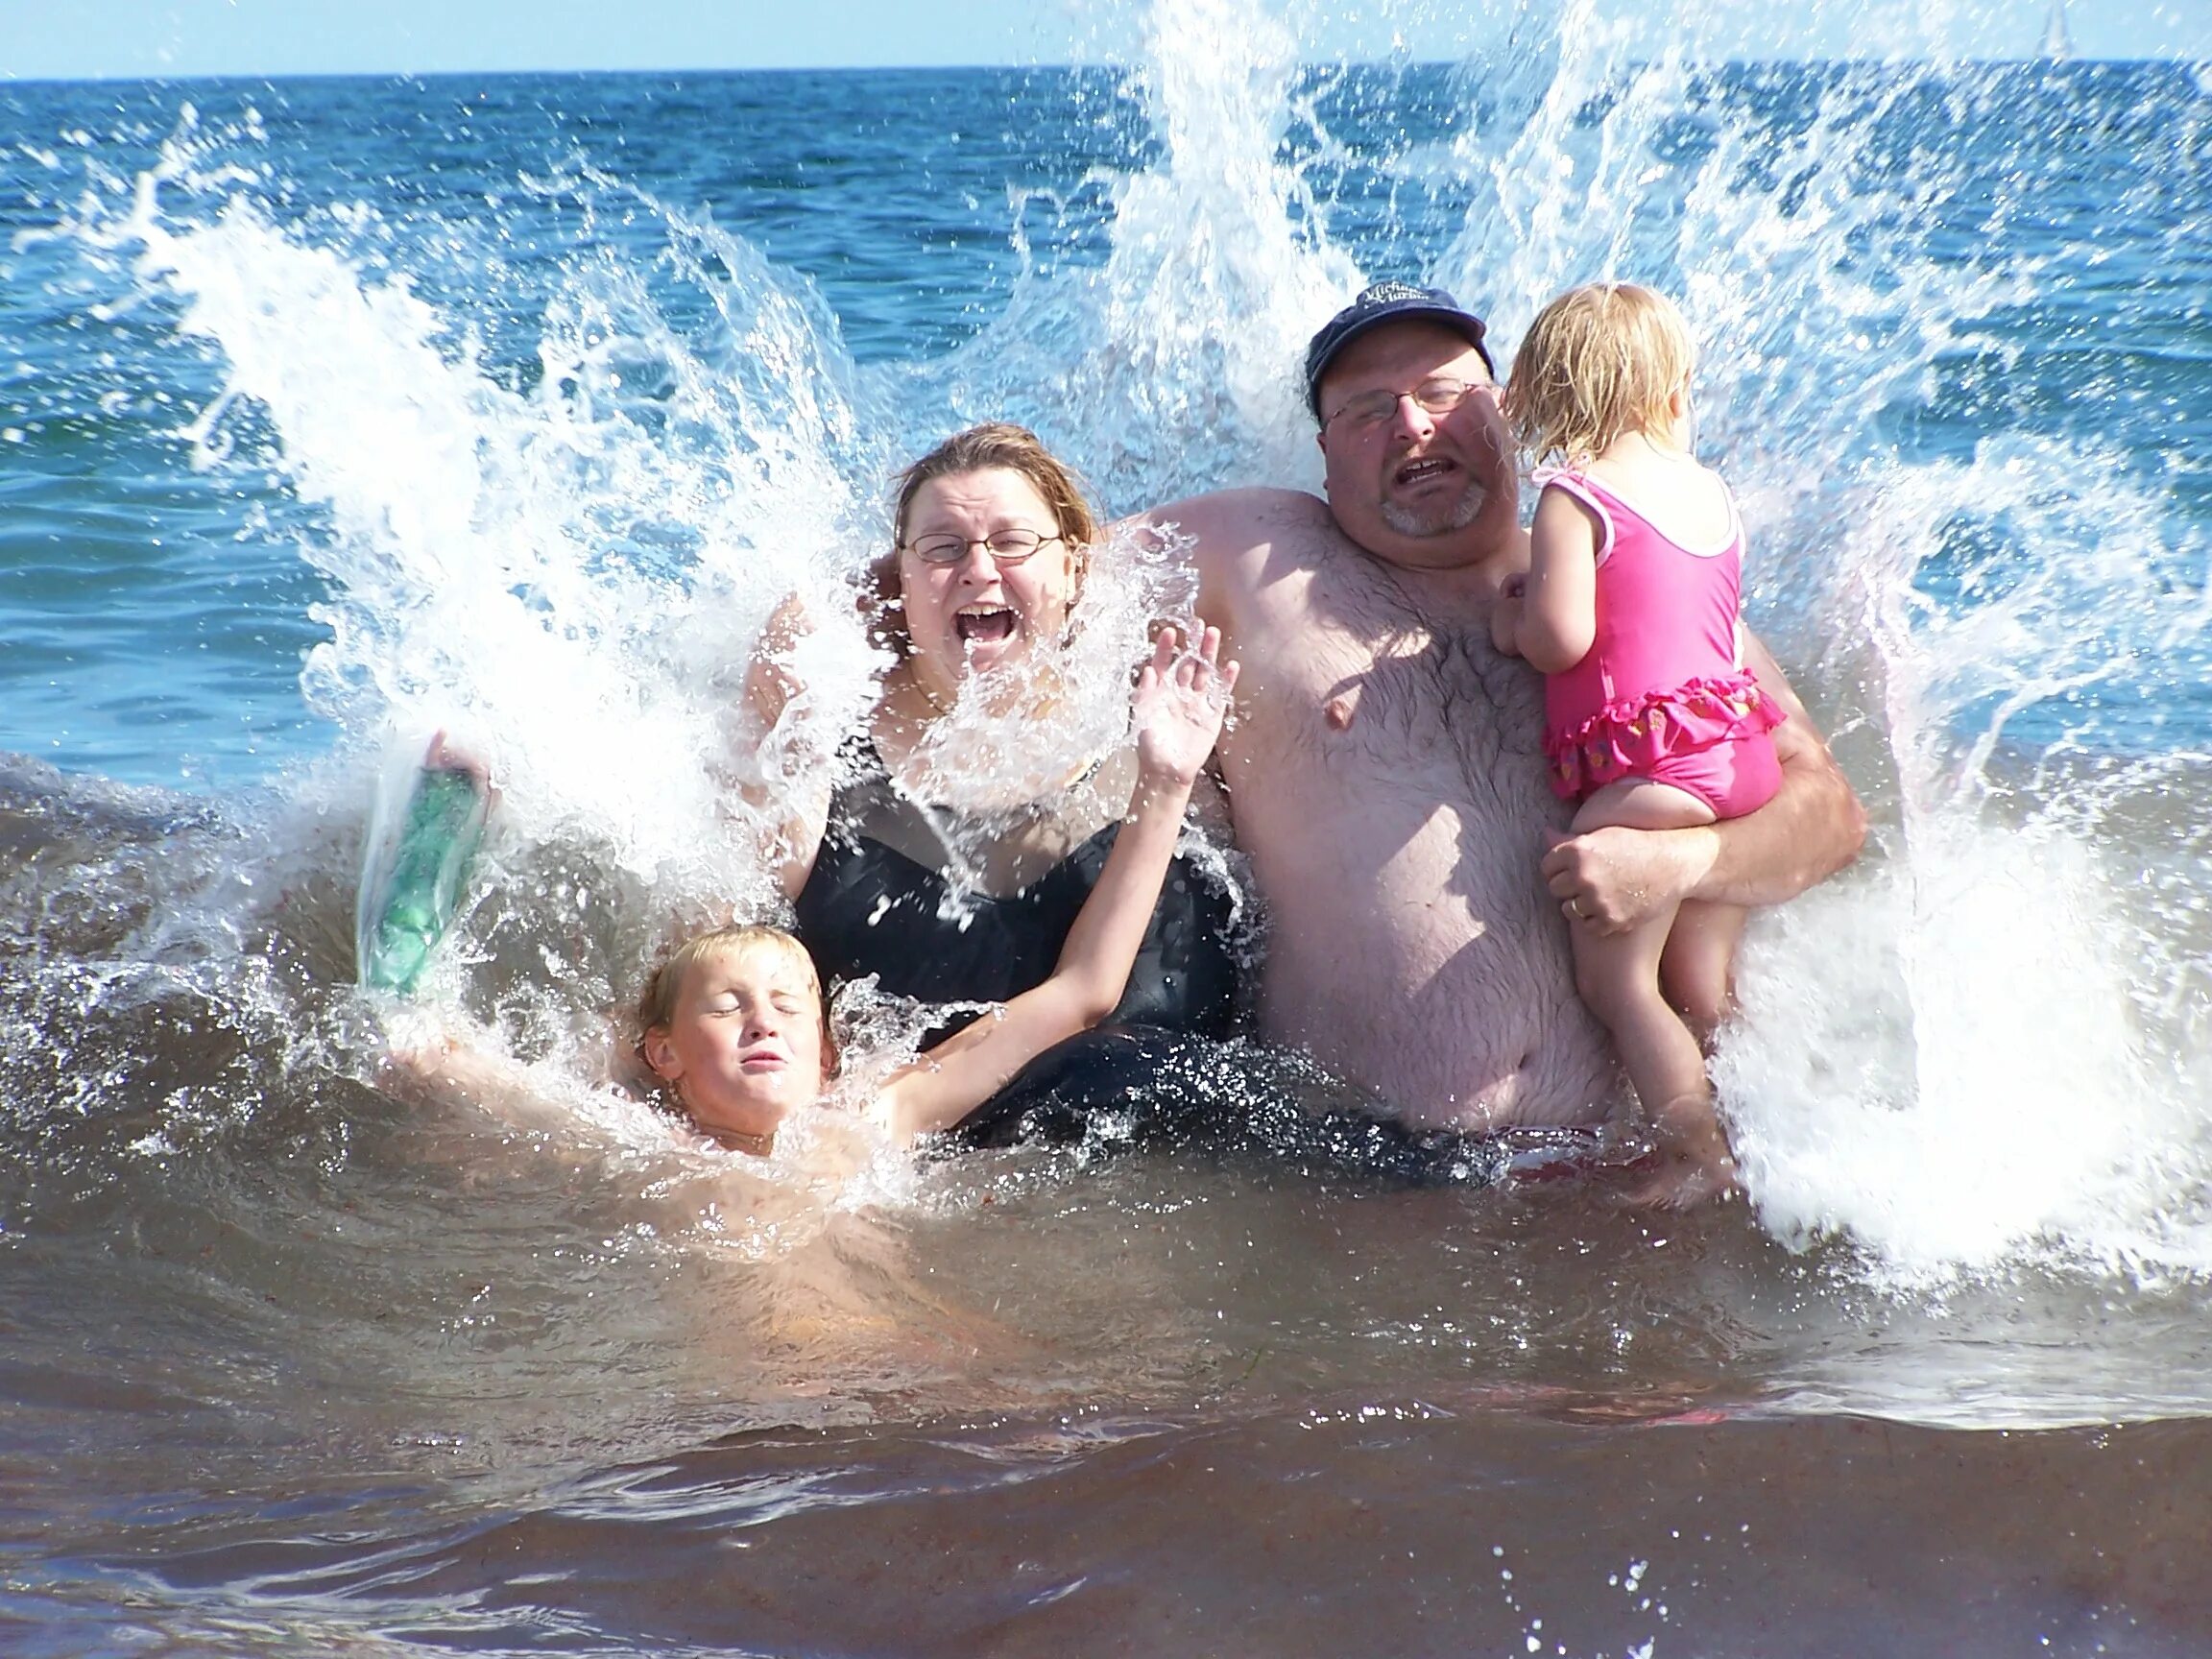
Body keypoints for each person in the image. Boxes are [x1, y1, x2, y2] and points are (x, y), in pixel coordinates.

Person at [1137, 281, 1865, 1190]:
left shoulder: (1625, 575)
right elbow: (1021, 562)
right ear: (1324, 458)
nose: (1411, 424)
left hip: (1637, 1186)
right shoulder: (1253, 550)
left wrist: (1683, 865)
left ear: (1508, 410)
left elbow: (1830, 814)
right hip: (1371, 1186)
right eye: (1365, 410)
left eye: (1444, 393)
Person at [401, 624, 1237, 1155]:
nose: (763, 1018)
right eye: (728, 1007)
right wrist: (417, 1039)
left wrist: (1163, 781)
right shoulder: (637, 1139)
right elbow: (466, 1071)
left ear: (831, 1057)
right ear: (664, 1054)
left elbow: (1083, 992)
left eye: (789, 1007)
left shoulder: (871, 1122)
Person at [745, 422, 1242, 1142]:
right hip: (918, 1175)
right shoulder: (821, 740)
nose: (978, 570)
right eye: (943, 549)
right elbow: (713, 979)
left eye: (1012, 543)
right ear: (899, 579)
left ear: (1074, 569)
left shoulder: (1176, 721)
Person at [1488, 282, 1785, 1205]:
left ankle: (1699, 1157)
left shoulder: (1574, 498)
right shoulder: (1709, 492)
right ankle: (1770, 1124)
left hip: (1651, 773)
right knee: (1700, 983)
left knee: (1618, 988)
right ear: (1667, 389)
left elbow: (1561, 638)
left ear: (1553, 393)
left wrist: (1510, 622)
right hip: (1740, 757)